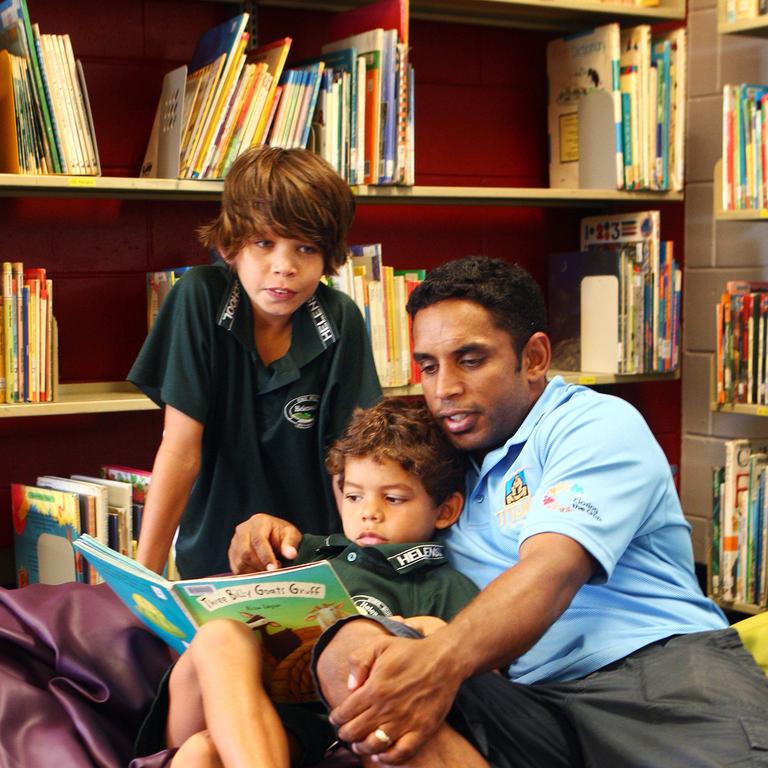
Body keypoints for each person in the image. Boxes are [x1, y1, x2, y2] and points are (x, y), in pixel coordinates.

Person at [234, 256, 768, 768]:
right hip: (528, 698)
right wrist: (278, 533)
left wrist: (438, 664)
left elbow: (552, 571)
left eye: (470, 359)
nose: (444, 389)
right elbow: (368, 524)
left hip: (661, 675)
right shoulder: (438, 460)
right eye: (427, 365)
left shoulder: (595, 424)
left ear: (533, 357)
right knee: (351, 651)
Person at [134, 398, 479, 768]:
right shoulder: (309, 552)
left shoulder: (442, 586)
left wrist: (433, 635)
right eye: (353, 495)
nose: (368, 512)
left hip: (303, 729)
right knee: (220, 635)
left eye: (393, 498)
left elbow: (484, 683)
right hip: (215, 698)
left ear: (445, 510)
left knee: (202, 752)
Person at [128, 146, 382, 579]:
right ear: (230, 246)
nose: (284, 267)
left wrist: (364, 573)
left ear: (328, 257)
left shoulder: (341, 318)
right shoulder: (198, 297)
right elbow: (179, 449)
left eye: (305, 248)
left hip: (313, 560)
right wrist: (144, 577)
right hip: (212, 562)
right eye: (264, 243)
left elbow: (353, 461)